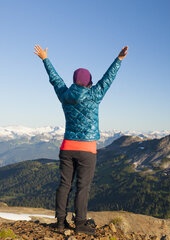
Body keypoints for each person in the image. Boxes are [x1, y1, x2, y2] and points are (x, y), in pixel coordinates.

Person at [34, 44, 128, 235]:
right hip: (87, 150)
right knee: (82, 187)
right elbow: (108, 79)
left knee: (64, 185)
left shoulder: (65, 95)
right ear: (89, 82)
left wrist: (45, 58)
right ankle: (81, 224)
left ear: (75, 81)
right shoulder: (95, 95)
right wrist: (119, 59)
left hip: (67, 147)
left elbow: (55, 79)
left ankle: (60, 222)